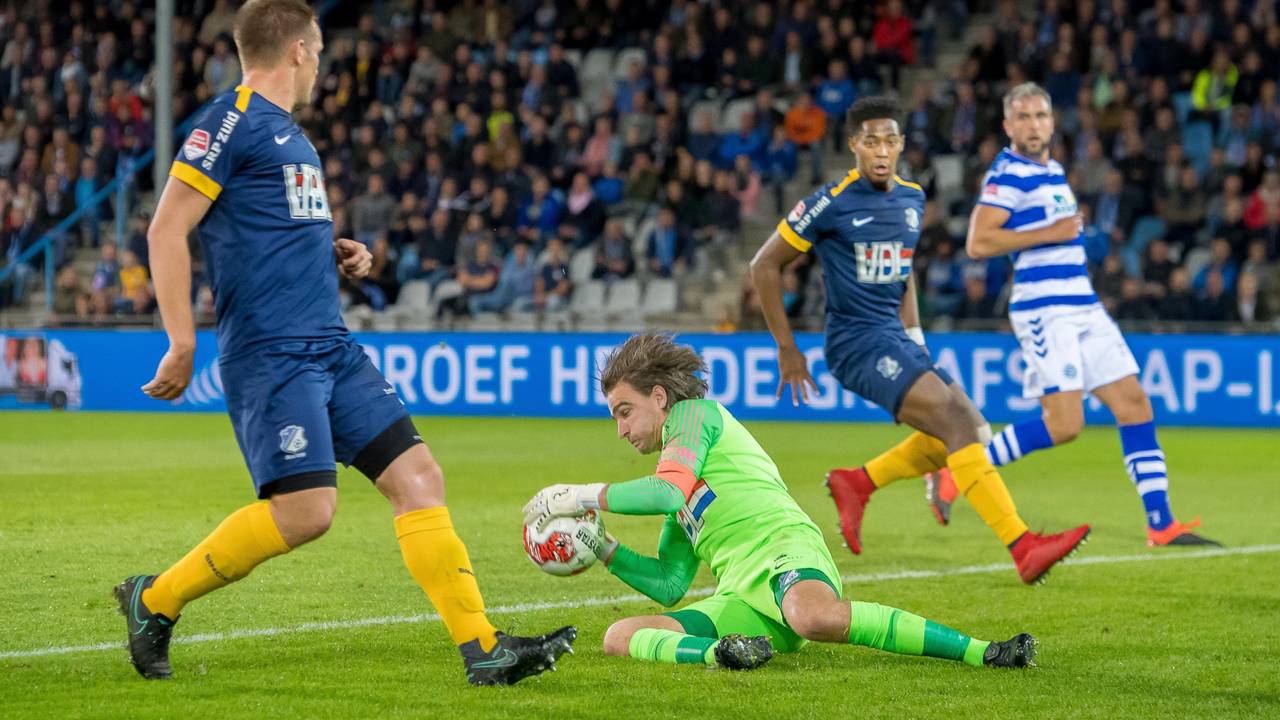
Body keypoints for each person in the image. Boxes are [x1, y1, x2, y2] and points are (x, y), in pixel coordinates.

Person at [114, 0, 573, 686]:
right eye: (320, 51)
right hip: (272, 352)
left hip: (332, 347)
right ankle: (155, 601)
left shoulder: (290, 137)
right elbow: (165, 230)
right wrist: (181, 342)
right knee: (307, 512)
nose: (321, 65)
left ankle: (485, 650)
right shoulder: (227, 122)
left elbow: (263, 231)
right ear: (297, 50)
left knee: (420, 479)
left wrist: (333, 253)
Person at [522, 334, 1037, 671]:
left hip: (787, 553)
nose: (621, 430)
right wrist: (604, 546)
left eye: (624, 411)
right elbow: (669, 584)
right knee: (619, 634)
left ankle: (983, 652)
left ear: (660, 397)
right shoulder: (673, 474)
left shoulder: (695, 416)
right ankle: (727, 653)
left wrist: (579, 494)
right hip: (744, 600)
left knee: (812, 617)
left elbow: (666, 493)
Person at [750, 96, 1089, 585]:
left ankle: (857, 482)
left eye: (890, 140)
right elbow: (763, 265)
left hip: (893, 337)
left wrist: (915, 340)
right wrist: (787, 348)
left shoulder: (911, 198)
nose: (881, 150)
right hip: (854, 343)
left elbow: (903, 274)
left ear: (902, 144)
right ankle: (1023, 547)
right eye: (871, 141)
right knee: (958, 427)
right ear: (853, 146)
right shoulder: (830, 202)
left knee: (974, 428)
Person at [938, 82, 1217, 547]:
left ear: (1052, 121)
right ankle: (963, 467)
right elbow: (979, 242)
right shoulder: (1007, 174)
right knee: (1066, 424)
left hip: (1083, 305)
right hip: (1046, 310)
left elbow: (1058, 234)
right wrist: (1050, 232)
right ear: (1008, 126)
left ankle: (1161, 523)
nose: (1033, 125)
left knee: (1134, 404)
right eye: (1023, 117)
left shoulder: (1053, 169)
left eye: (1041, 115)